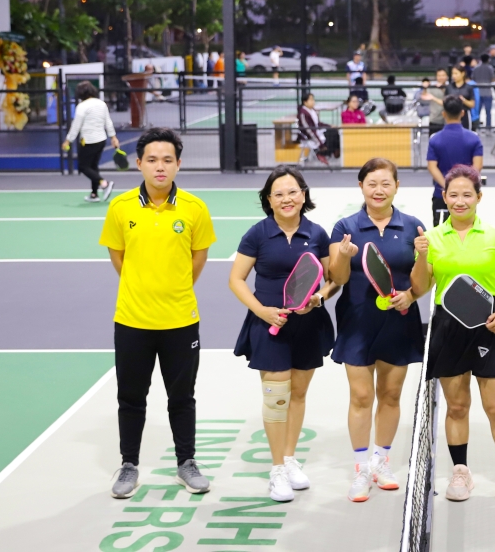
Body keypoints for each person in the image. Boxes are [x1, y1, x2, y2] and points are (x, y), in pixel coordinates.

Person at [101, 128, 215, 500]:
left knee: (182, 397)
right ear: (139, 163)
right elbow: (118, 256)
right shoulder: (120, 207)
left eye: (167, 160)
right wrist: (143, 287)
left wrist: (173, 288)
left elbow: (198, 258)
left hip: (181, 320)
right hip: (132, 321)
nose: (160, 166)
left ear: (178, 164)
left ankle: (186, 463)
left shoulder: (195, 208)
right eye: (152, 159)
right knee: (131, 397)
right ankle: (129, 465)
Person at [409, 165, 495, 505]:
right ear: (444, 198)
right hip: (448, 326)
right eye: (453, 195)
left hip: (489, 325)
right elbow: (420, 287)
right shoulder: (432, 238)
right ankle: (460, 471)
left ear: (479, 197)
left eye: (467, 194)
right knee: (457, 406)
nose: (460, 201)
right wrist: (421, 256)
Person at [228, 166, 341, 502]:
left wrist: (319, 298)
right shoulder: (257, 234)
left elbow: (332, 279)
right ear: (268, 199)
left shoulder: (317, 233)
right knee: (277, 397)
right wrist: (261, 310)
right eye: (278, 194)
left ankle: (290, 459)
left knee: (299, 394)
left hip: (308, 325)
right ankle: (277, 469)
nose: (286, 199)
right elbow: (236, 279)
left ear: (303, 196)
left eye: (292, 192)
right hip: (269, 326)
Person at [326, 158, 427, 502]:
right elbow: (337, 278)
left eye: (386, 183)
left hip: (399, 320)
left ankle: (381, 461)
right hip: (357, 321)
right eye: (372, 183)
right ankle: (360, 469)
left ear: (397, 186)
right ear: (361, 187)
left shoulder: (413, 226)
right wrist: (343, 255)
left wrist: (411, 294)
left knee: (391, 394)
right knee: (361, 396)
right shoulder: (345, 227)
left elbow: (423, 282)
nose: (379, 190)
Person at [427, 96, 484, 225]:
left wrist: (448, 186)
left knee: (440, 232)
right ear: (462, 113)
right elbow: (478, 166)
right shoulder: (474, 138)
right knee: (468, 229)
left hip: (441, 193)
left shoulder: (435, 139)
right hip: (467, 194)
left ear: (444, 114)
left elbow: (432, 167)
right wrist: (465, 185)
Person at [64, 81, 121, 202]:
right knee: (93, 166)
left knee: (83, 167)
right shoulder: (102, 104)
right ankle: (94, 194)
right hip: (101, 140)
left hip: (88, 141)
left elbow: (76, 126)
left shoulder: (82, 106)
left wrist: (68, 140)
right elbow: (108, 122)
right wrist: (113, 137)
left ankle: (104, 184)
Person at [297, 92, 329, 166]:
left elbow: (318, 123)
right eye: (311, 100)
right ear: (305, 102)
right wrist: (320, 143)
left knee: (333, 132)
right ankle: (320, 153)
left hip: (316, 132)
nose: (313, 101)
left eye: (313, 100)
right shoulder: (303, 113)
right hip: (308, 136)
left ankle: (327, 153)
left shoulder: (312, 110)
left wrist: (329, 126)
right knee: (330, 135)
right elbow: (308, 130)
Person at [471, 53, 495, 131]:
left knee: (477, 111)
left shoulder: (476, 68)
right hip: (487, 91)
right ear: (488, 59)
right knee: (488, 111)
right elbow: (493, 79)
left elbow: (473, 78)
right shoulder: (490, 68)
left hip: (478, 92)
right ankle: (488, 126)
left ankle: (477, 126)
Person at [447, 64, 476, 129]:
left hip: (465, 115)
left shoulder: (468, 87)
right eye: (453, 74)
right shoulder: (449, 87)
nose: (454, 76)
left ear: (462, 74)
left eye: (456, 73)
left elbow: (472, 104)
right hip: (452, 115)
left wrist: (463, 100)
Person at [422, 68, 450, 136]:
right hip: (435, 120)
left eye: (443, 75)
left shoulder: (450, 87)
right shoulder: (432, 87)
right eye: (439, 75)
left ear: (447, 76)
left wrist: (441, 88)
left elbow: (447, 101)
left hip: (448, 120)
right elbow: (424, 96)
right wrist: (425, 88)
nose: (441, 77)